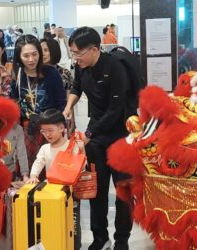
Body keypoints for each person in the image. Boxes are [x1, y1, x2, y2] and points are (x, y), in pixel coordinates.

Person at [63, 26, 133, 250]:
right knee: (96, 190)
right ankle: (100, 238)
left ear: (94, 49)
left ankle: (122, 240)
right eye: (72, 53)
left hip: (120, 135)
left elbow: (115, 109)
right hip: (97, 138)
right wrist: (67, 108)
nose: (75, 58)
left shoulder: (115, 68)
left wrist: (89, 134)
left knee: (123, 191)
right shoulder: (81, 66)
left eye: (78, 53)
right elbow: (76, 87)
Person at [10, 34, 66, 175]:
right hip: (27, 130)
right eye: (26, 55)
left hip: (50, 127)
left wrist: (59, 126)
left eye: (35, 54)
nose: (31, 59)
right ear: (19, 57)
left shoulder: (51, 73)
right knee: (29, 170)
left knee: (53, 168)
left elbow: (61, 102)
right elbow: (14, 100)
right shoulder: (17, 75)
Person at [27, 108, 82, 250]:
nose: (46, 134)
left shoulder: (72, 145)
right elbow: (38, 162)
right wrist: (33, 175)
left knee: (72, 224)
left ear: (62, 128)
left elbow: (82, 167)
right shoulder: (45, 148)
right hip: (50, 193)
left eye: (50, 130)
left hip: (70, 194)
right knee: (51, 223)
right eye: (43, 131)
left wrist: (82, 151)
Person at [40, 37, 76, 133]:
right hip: (43, 118)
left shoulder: (64, 73)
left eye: (46, 50)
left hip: (60, 115)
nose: (42, 53)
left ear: (53, 51)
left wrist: (72, 119)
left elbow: (69, 99)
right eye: (40, 50)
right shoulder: (37, 73)